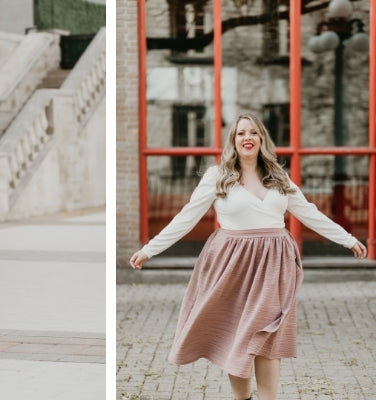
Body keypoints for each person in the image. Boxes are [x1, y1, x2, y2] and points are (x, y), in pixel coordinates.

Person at [129, 113, 367, 400]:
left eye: (253, 132)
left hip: (274, 264)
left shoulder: (279, 177)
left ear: (262, 139)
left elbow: (309, 213)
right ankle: (242, 398)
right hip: (231, 264)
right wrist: (149, 250)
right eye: (241, 133)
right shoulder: (217, 177)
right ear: (233, 140)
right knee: (237, 335)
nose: (247, 138)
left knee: (267, 332)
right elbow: (187, 217)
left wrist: (348, 239)